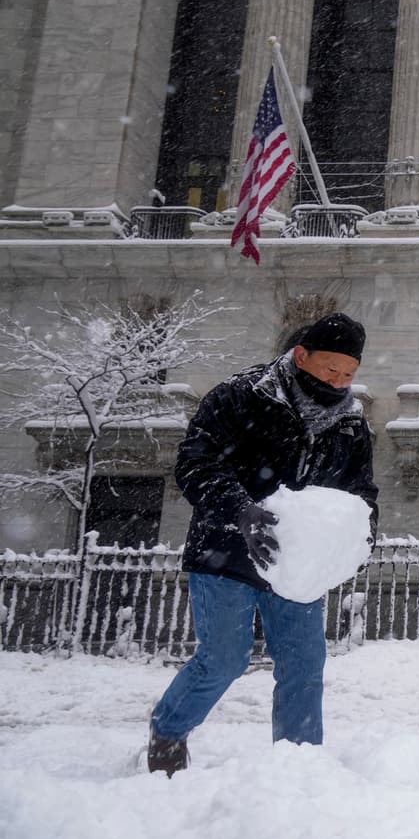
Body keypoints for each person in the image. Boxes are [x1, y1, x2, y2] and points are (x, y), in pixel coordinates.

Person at [147, 313, 379, 776]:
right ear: (301, 355)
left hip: (297, 565)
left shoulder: (351, 423)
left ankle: (299, 763)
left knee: (303, 665)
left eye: (348, 373)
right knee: (224, 659)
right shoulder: (241, 396)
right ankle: (168, 733)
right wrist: (239, 509)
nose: (338, 380)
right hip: (227, 551)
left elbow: (362, 495)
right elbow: (195, 462)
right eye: (330, 368)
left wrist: (363, 537)